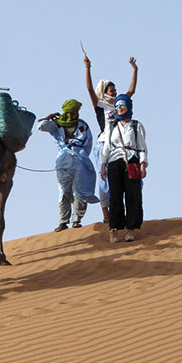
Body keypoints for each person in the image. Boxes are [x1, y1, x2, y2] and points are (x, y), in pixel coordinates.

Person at [84, 55, 138, 223]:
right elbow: (90, 90)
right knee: (105, 178)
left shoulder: (120, 104)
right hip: (104, 144)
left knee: (127, 177)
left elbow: (131, 91)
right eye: (111, 90)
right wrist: (88, 68)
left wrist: (135, 70)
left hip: (122, 145)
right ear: (104, 93)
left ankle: (125, 212)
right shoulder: (100, 105)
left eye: (115, 90)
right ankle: (106, 215)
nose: (114, 92)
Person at [38, 99, 99, 232]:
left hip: (80, 159)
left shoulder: (83, 125)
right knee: (64, 191)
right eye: (72, 112)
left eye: (76, 112)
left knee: (81, 191)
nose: (75, 114)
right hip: (63, 160)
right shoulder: (57, 125)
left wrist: (80, 155)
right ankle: (63, 221)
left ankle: (77, 219)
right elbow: (41, 126)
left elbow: (88, 143)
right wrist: (49, 117)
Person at [100, 95, 148, 243]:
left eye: (122, 105)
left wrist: (143, 164)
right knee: (115, 195)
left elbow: (142, 147)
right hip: (114, 161)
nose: (119, 107)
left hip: (131, 161)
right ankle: (114, 229)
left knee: (133, 195)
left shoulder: (136, 125)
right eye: (117, 105)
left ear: (128, 106)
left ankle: (131, 229)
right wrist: (103, 164)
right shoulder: (112, 126)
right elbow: (107, 146)